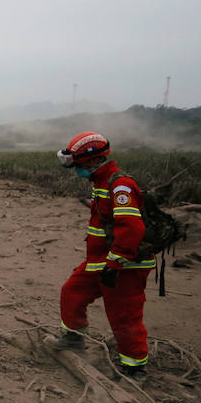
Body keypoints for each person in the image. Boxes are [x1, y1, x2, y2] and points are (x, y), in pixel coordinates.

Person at [55, 131, 155, 383]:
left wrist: (115, 263)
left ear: (91, 161)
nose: (76, 170)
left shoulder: (120, 186)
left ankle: (135, 368)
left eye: (77, 164)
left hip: (124, 265)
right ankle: (74, 339)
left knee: (124, 314)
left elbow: (131, 228)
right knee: (72, 292)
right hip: (100, 261)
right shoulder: (101, 182)